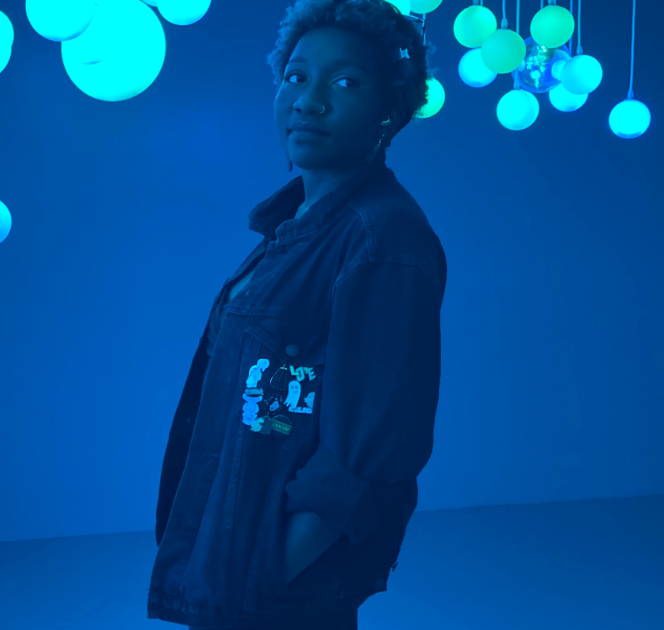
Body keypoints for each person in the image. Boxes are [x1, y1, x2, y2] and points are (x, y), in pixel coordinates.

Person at [148, 1, 447, 628]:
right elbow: (277, 403)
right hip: (234, 568)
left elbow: (366, 458)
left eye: (345, 82)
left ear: (390, 110)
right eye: (296, 76)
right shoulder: (293, 230)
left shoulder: (383, 241)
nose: (309, 100)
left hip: (278, 594)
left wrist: (264, 571)